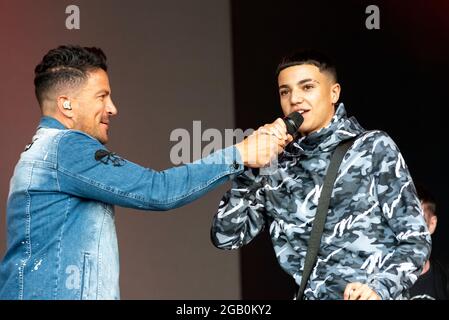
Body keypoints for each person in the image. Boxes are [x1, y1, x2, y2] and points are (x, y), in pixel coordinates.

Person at [0, 45, 290, 299]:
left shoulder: (42, 151)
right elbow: (157, 190)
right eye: (102, 96)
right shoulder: (66, 147)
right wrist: (241, 153)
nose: (112, 108)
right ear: (67, 103)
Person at [210, 49, 432, 300]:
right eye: (285, 91)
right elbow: (226, 237)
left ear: (334, 93)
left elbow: (416, 240)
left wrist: (379, 289)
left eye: (307, 87)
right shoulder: (274, 164)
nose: (294, 99)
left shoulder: (372, 148)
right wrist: (249, 164)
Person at [407, 184, 449, 300]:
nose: (408, 234)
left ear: (432, 224)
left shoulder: (445, 280)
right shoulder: (375, 285)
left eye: (417, 224)